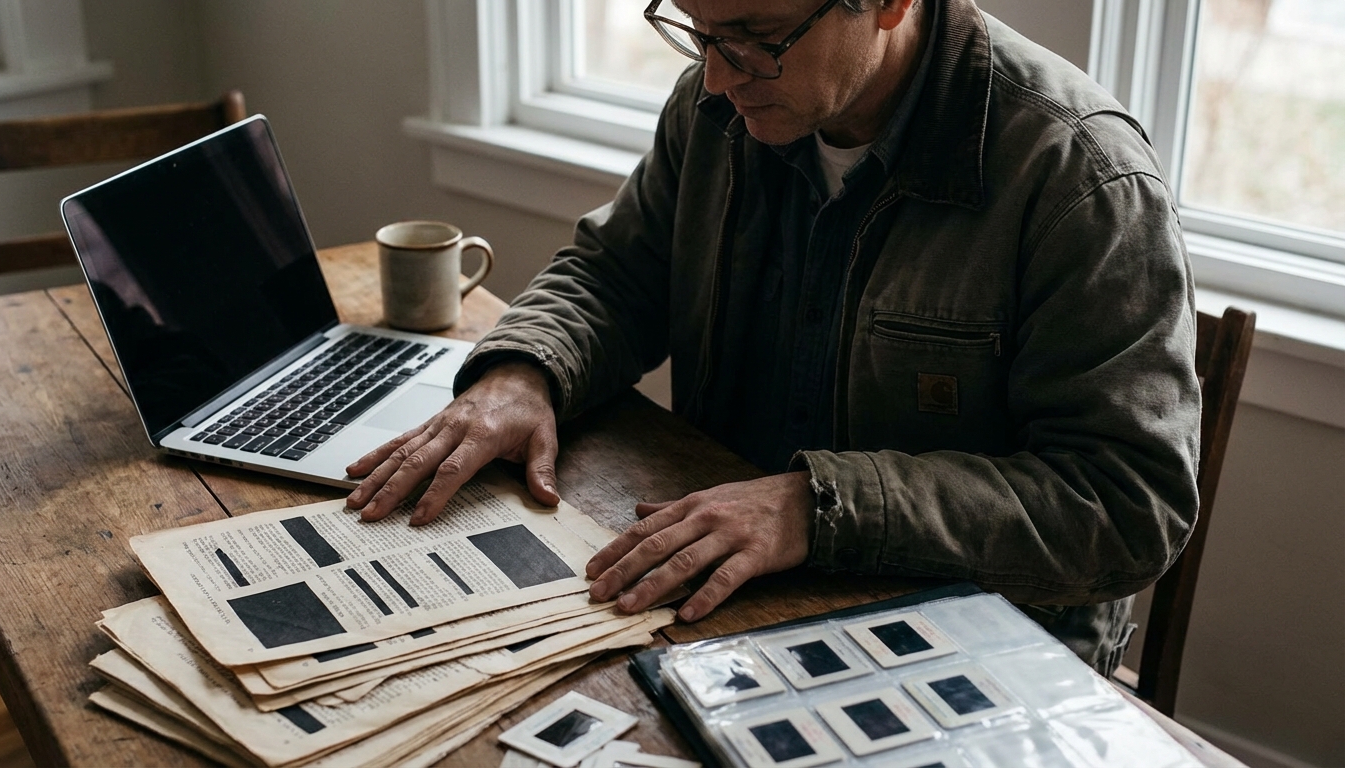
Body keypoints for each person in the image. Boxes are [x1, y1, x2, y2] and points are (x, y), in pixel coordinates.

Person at [345, 0, 1200, 675]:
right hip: (726, 610)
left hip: (983, 654)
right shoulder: (723, 108)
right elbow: (617, 275)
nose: (717, 78)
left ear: (891, 3)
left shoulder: (1079, 173)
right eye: (697, 30)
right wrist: (523, 371)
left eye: (754, 36)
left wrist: (816, 508)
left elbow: (1127, 505)